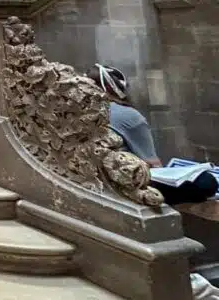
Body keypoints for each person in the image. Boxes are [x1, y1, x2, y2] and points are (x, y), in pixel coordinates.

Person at [88, 64, 217, 205]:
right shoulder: (127, 115)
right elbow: (153, 164)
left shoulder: (81, 114)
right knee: (207, 181)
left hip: (97, 181)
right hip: (127, 184)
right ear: (110, 87)